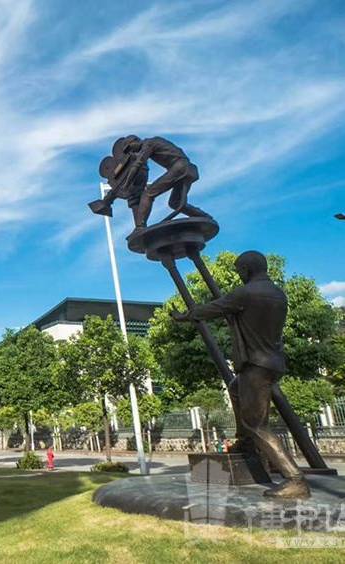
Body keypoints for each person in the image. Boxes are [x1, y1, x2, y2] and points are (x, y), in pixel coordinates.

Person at [172, 251, 310, 499]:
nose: (239, 274)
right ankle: (246, 442)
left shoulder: (246, 293)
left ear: (247, 269)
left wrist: (186, 316)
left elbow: (214, 308)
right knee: (236, 390)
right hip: (272, 360)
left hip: (256, 363)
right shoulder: (278, 293)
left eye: (239, 270)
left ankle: (295, 480)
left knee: (257, 424)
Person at [121, 136, 211, 233]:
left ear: (136, 141)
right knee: (175, 203)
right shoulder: (154, 141)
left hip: (180, 167)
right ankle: (205, 217)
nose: (131, 151)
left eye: (130, 148)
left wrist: (126, 185)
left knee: (148, 193)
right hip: (188, 168)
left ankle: (140, 227)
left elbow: (138, 164)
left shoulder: (148, 144)